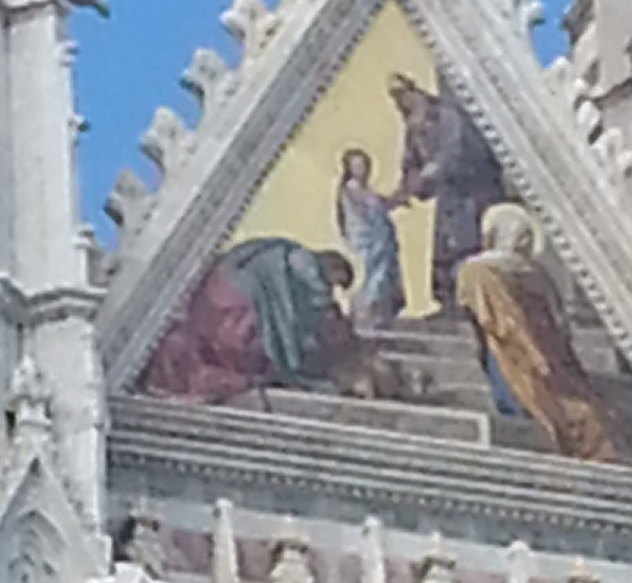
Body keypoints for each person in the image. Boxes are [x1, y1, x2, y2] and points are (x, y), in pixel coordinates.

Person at [456, 206, 621, 461]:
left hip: (515, 354)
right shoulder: (533, 273)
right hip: (533, 357)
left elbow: (494, 319)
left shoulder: (479, 270)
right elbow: (556, 323)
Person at [145, 241, 356, 403]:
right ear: (334, 266)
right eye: (336, 281)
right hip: (238, 299)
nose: (331, 286)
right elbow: (313, 293)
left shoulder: (289, 259)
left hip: (222, 299)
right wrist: (328, 307)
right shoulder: (303, 260)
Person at [387, 76, 502, 308]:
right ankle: (451, 300)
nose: (401, 101)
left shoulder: (446, 115)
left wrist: (427, 175)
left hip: (468, 190)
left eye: (403, 94)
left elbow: (452, 150)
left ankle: (476, 299)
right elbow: (410, 160)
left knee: (467, 243)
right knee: (446, 248)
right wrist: (406, 186)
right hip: (447, 194)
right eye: (396, 98)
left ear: (414, 89)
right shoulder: (413, 123)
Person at [336, 147, 404, 329]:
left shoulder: (366, 190)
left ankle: (379, 317)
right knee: (367, 280)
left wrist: (396, 201)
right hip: (364, 241)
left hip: (379, 240)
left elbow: (379, 205)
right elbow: (365, 212)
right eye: (357, 166)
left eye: (364, 165)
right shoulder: (351, 189)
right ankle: (365, 318)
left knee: (381, 280)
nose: (361, 170)